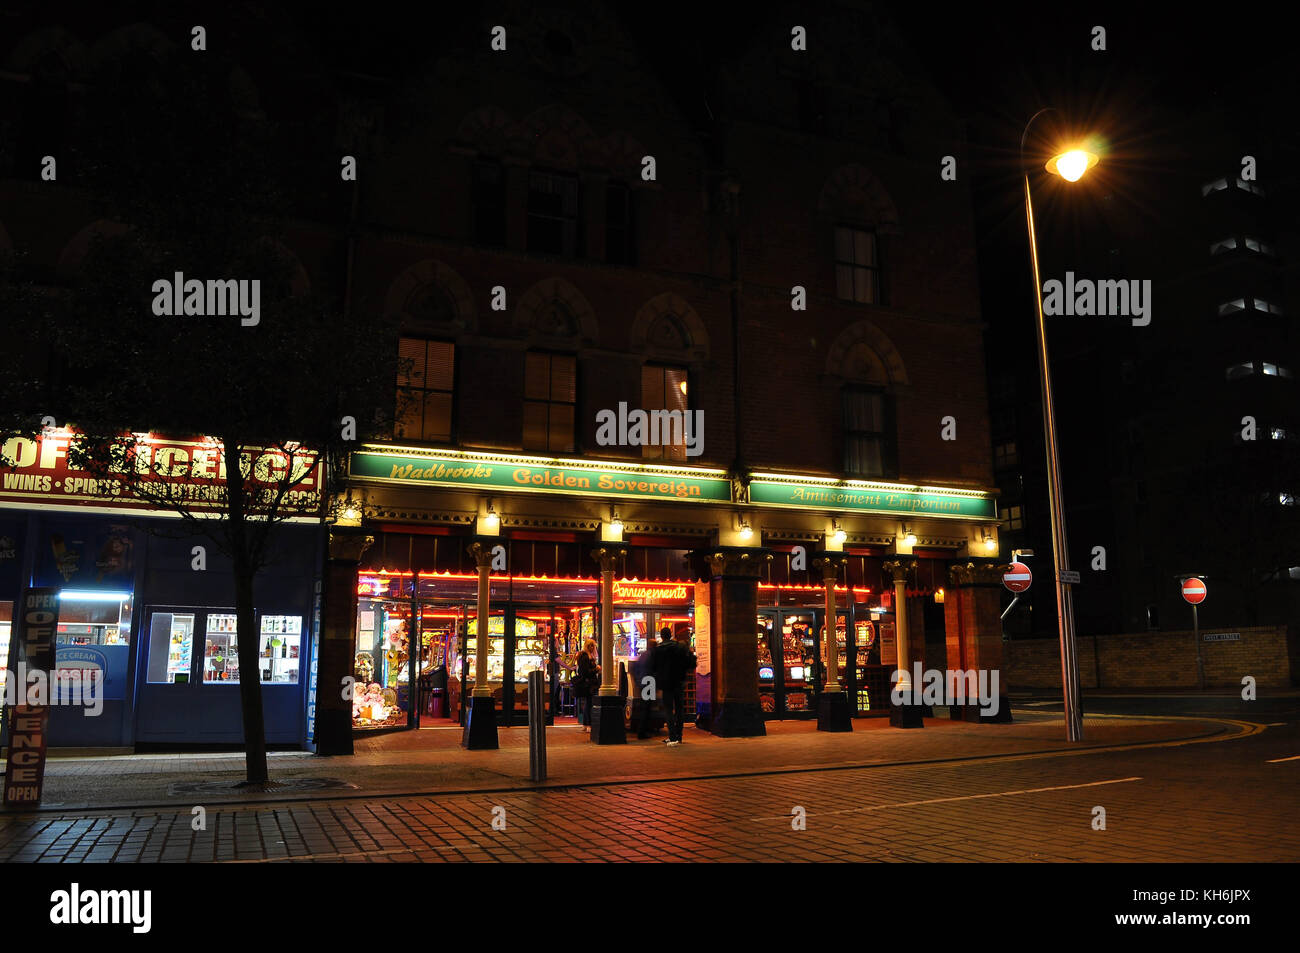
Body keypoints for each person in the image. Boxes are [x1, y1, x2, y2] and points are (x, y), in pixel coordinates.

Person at [653, 626, 696, 746]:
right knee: (679, 709)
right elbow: (690, 662)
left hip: (666, 683)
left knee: (668, 709)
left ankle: (672, 737)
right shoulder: (680, 647)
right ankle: (679, 736)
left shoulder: (658, 650)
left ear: (661, 636)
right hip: (679, 681)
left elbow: (654, 667)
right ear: (670, 635)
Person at [629, 636, 658, 739]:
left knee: (645, 707)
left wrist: (637, 681)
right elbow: (655, 669)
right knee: (647, 708)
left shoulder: (643, 655)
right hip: (649, 682)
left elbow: (634, 668)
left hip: (643, 682)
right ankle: (642, 732)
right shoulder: (653, 655)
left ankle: (643, 730)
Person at [574, 639, 600, 732]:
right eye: (591, 646)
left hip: (589, 684)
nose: (593, 648)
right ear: (588, 646)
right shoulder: (585, 657)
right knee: (590, 704)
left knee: (588, 704)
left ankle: (586, 724)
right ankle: (588, 724)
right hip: (589, 684)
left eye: (593, 646)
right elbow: (585, 672)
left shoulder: (586, 656)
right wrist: (596, 669)